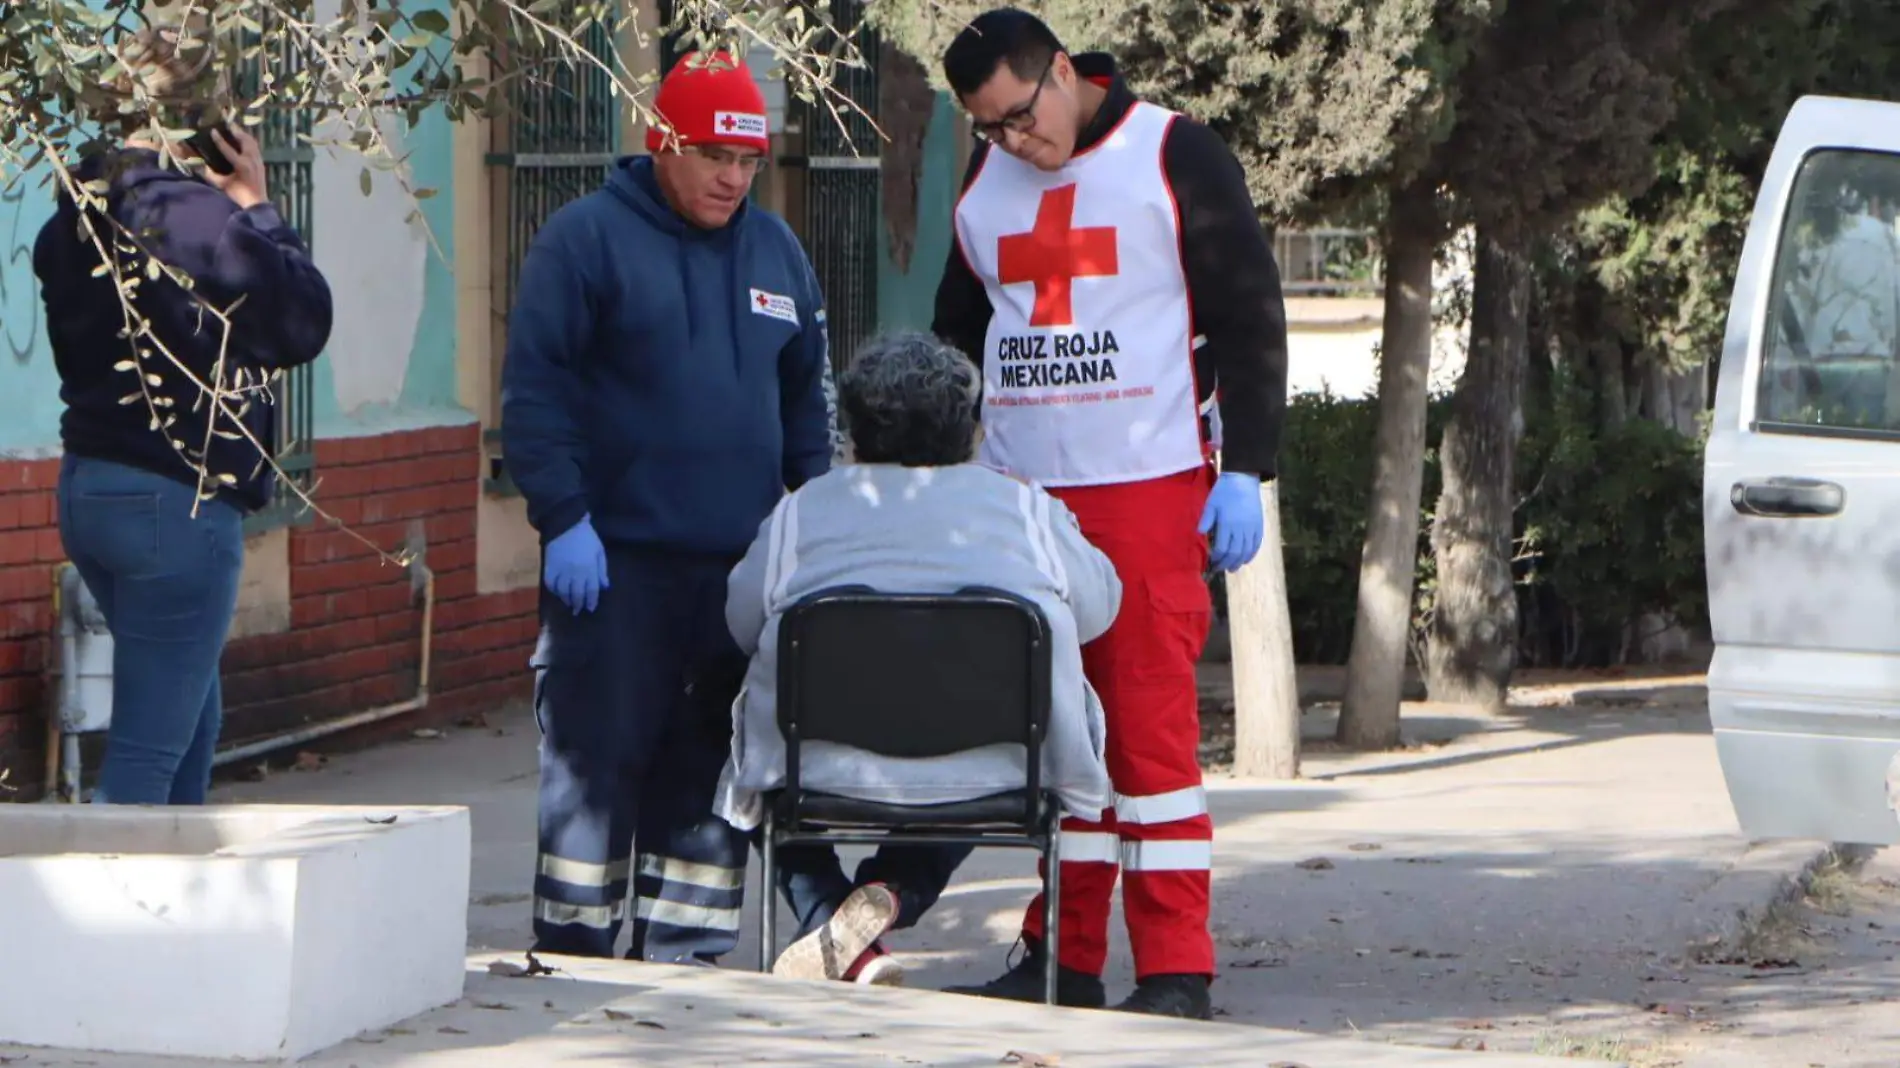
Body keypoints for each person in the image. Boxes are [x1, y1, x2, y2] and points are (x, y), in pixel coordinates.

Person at [929, 8, 1290, 1019]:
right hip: (1020, 496)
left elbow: (1250, 313)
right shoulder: (987, 184)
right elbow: (959, 331)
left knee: (1146, 743)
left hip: (1144, 486)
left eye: (1019, 114)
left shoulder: (1171, 153)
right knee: (1053, 741)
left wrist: (1245, 469)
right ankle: (1062, 959)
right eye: (988, 128)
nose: (1015, 142)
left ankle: (1176, 965)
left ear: (1059, 71)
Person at [501, 50, 837, 963]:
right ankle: (572, 947)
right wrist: (564, 518)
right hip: (613, 568)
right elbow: (537, 395)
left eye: (749, 161)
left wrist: (817, 524)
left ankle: (686, 955)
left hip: (736, 573)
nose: (733, 179)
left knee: (708, 770)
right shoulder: (584, 241)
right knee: (597, 764)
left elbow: (808, 403)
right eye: (714, 157)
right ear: (662, 142)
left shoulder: (776, 250)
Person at [714, 331, 1120, 988]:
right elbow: (1101, 610)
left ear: (853, 432)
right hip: (997, 771)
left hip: (815, 765)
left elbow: (740, 623)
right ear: (970, 428)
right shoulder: (1025, 508)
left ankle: (832, 917)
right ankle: (887, 896)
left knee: (746, 753)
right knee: (982, 754)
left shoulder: (802, 511)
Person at [33, 23, 334, 806]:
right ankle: (102, 924)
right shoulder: (189, 215)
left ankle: (183, 916)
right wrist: (260, 209)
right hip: (177, 500)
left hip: (92, 488)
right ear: (214, 125)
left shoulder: (75, 214)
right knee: (144, 760)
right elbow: (302, 321)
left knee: (191, 721)